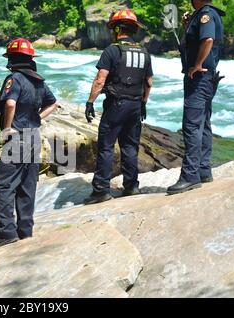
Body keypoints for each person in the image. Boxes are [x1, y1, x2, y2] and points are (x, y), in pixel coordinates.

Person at [0, 38, 58, 248]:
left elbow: (10, 103)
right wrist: (37, 118)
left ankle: (7, 232)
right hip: (33, 136)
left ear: (12, 59)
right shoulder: (39, 81)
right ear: (30, 60)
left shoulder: (14, 79)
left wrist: (7, 128)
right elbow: (53, 103)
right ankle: (25, 230)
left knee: (5, 185)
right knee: (28, 185)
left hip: (16, 138)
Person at [84, 9, 154, 205]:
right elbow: (149, 82)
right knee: (130, 147)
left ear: (116, 30)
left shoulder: (112, 50)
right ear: (132, 30)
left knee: (106, 147)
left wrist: (90, 102)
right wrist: (143, 103)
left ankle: (101, 191)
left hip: (116, 105)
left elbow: (100, 80)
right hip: (135, 105)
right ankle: (131, 186)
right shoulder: (144, 52)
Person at [167, 0, 225, 195]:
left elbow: (207, 39)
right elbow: (200, 37)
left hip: (199, 77)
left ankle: (190, 176)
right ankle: (203, 170)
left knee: (191, 125)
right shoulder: (204, 14)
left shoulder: (205, 14)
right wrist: (188, 24)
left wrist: (197, 64)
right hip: (207, 78)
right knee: (204, 123)